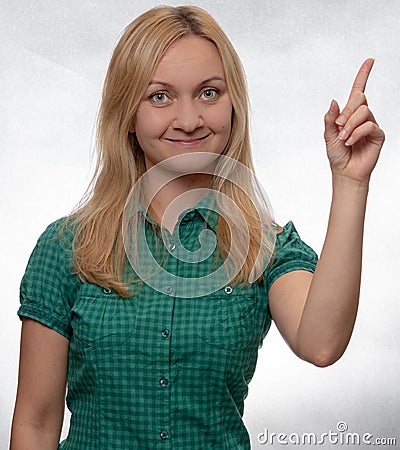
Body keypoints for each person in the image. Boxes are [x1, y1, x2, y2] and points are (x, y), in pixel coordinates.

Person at [10, 5, 384, 450]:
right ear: (127, 113)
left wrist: (350, 182)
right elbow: (35, 423)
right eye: (160, 97)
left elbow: (321, 344)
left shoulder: (265, 248)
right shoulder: (67, 249)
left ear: (233, 105)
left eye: (208, 93)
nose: (189, 120)